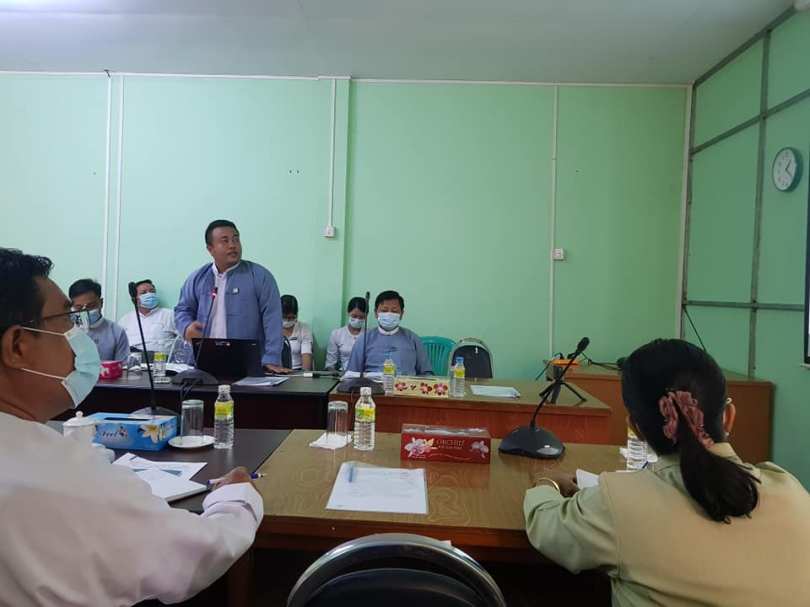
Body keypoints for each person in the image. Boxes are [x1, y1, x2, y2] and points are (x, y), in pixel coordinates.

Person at [0, 248, 263, 606]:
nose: (78, 335)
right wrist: (237, 499)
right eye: (66, 319)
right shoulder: (63, 477)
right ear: (18, 346)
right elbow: (194, 555)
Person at [524, 339, 810, 607]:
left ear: (636, 428)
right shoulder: (792, 493)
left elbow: (546, 527)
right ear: (728, 417)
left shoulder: (622, 504)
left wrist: (545, 483)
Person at [175, 219, 287, 373]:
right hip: (204, 362)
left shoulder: (260, 276)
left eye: (236, 239)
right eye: (225, 241)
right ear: (210, 249)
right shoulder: (198, 278)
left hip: (247, 364)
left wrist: (271, 358)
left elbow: (273, 319)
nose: (232, 245)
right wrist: (186, 327)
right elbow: (182, 309)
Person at [345, 290, 432, 376]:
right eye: (384, 310)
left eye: (394, 311)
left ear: (402, 314)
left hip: (405, 384)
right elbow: (352, 374)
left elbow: (426, 373)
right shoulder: (364, 340)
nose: (389, 314)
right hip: (372, 384)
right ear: (376, 313)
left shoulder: (413, 339)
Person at [68, 278, 129, 362]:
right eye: (79, 307)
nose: (85, 311)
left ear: (101, 303)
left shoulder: (116, 332)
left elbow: (122, 365)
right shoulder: (67, 330)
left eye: (90, 306)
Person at [118, 279, 178, 352]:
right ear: (134, 299)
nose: (150, 294)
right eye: (143, 293)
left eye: (152, 291)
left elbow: (185, 340)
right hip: (133, 357)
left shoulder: (170, 315)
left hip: (162, 358)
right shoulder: (125, 320)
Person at [325, 296, 367, 371]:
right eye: (354, 316)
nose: (357, 319)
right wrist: (335, 374)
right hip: (343, 373)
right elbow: (330, 364)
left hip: (364, 374)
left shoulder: (370, 335)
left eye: (361, 317)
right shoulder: (337, 334)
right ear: (348, 312)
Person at [280, 295, 313, 371]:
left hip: (297, 371)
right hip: (276, 370)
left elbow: (306, 355)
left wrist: (304, 374)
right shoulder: (270, 328)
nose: (288, 321)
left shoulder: (303, 328)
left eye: (291, 317)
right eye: (284, 317)